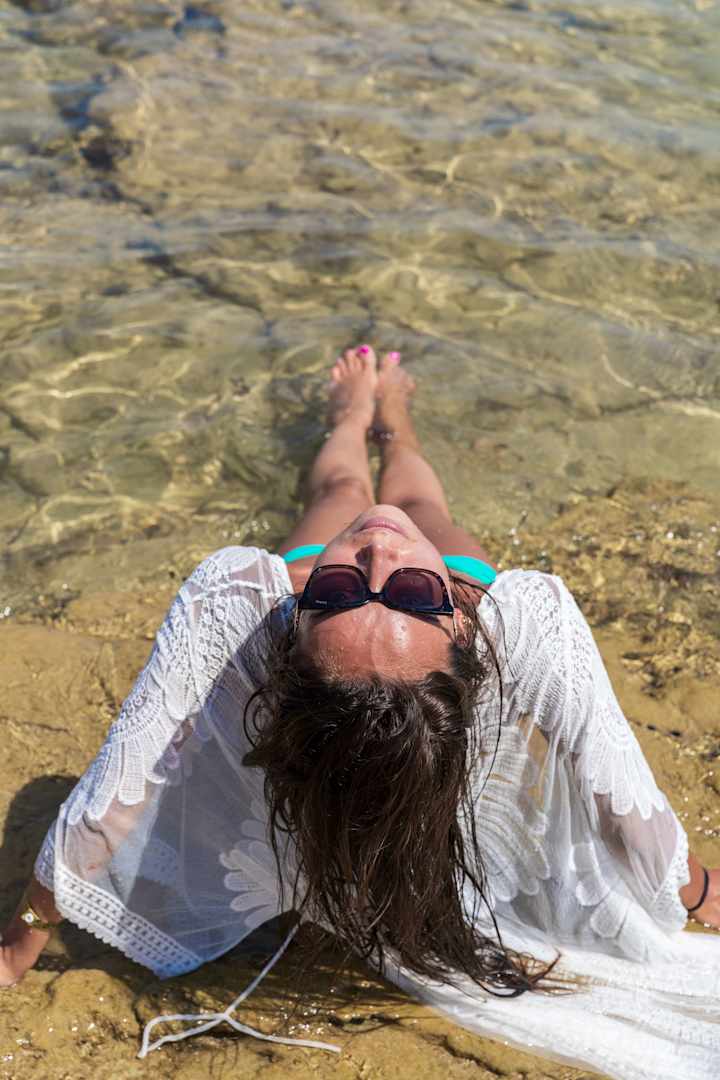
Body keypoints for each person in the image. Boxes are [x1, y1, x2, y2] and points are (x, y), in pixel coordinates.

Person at [1, 345, 718, 1078]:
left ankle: (377, 417)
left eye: (406, 594)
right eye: (340, 589)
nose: (378, 555)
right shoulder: (513, 618)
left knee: (351, 490)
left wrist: (16, 945)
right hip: (448, 597)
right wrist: (696, 888)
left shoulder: (242, 600)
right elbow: (619, 790)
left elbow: (109, 803)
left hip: (374, 652)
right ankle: (370, 416)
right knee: (418, 510)